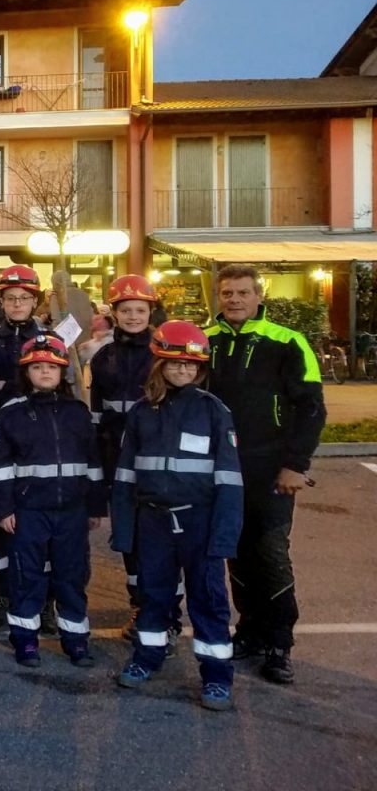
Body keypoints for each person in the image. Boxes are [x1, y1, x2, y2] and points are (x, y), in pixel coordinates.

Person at [112, 321, 243, 712]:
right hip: (153, 521)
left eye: (190, 366)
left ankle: (217, 676)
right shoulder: (141, 413)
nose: (182, 371)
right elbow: (124, 476)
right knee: (153, 595)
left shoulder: (214, 412)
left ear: (201, 369)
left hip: (199, 522)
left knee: (208, 599)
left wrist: (224, 535)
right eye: (174, 364)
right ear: (159, 365)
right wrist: (124, 531)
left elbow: (230, 480)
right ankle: (146, 657)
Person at [205, 264, 325, 686]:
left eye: (242, 292)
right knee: (235, 553)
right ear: (217, 298)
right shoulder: (206, 342)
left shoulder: (288, 342)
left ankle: (279, 644)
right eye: (226, 293)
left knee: (270, 554)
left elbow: (311, 407)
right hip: (222, 470)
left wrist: (297, 465)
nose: (234, 300)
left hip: (270, 468)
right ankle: (250, 633)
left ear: (259, 296)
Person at [0, 335, 103, 668]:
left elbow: (92, 463)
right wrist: (3, 510)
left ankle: (76, 640)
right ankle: (25, 640)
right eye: (37, 367)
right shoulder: (10, 415)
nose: (45, 372)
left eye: (51, 366)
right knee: (27, 576)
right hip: (28, 512)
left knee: (72, 575)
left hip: (72, 512)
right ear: (26, 372)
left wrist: (94, 507)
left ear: (62, 370)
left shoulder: (78, 413)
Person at [88, 274, 176, 644]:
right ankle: (139, 606)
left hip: (155, 460)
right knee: (129, 536)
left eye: (140, 309)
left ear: (151, 311)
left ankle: (168, 614)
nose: (133, 316)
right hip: (114, 458)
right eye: (126, 310)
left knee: (161, 537)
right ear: (115, 312)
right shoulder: (103, 356)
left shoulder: (164, 354)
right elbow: (95, 415)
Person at [0, 264, 48, 630]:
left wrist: (6, 387)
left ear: (35, 301)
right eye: (11, 298)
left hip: (44, 444)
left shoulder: (51, 340)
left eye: (24, 298)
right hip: (2, 442)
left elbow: (59, 387)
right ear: (1, 301)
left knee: (43, 524)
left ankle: (44, 600)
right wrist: (16, 392)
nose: (17, 304)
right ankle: (2, 594)